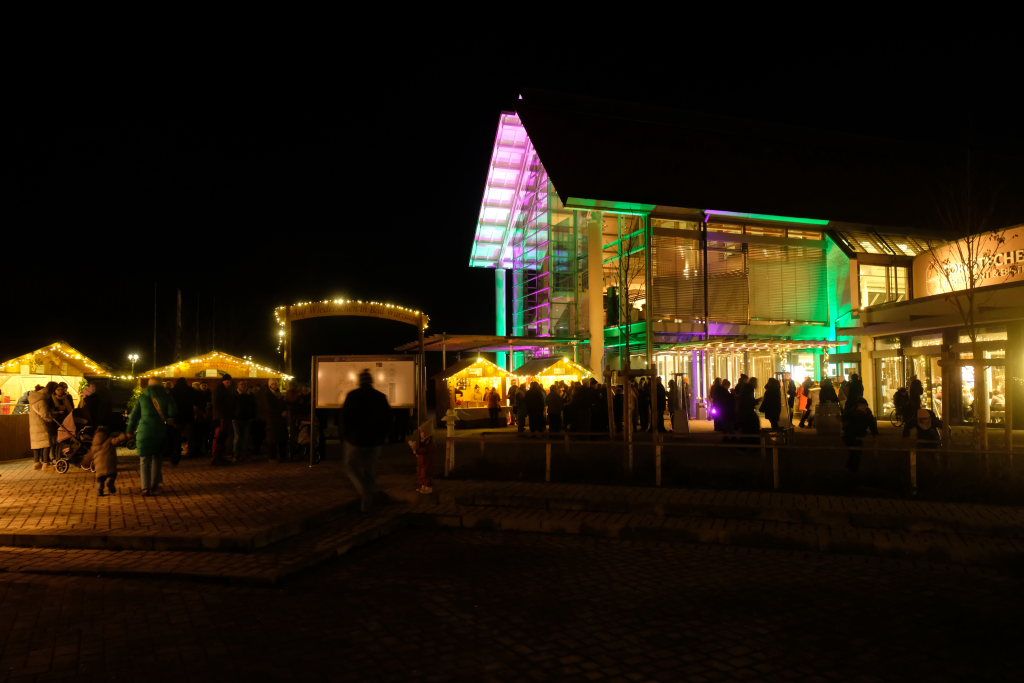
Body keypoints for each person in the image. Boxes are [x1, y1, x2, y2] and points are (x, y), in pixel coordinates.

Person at [340, 369, 392, 512]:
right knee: (370, 470)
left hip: (355, 440)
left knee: (351, 466)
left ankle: (365, 493)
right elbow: (388, 418)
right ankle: (367, 499)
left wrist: (345, 435)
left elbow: (345, 417)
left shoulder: (352, 396)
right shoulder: (380, 397)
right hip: (374, 440)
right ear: (371, 381)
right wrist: (384, 436)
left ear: (360, 381)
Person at [127, 378, 177, 496]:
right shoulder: (166, 396)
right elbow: (173, 412)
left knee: (144, 460)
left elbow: (134, 415)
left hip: (144, 431)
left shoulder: (143, 397)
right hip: (160, 431)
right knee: (157, 458)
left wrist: (129, 430)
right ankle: (155, 486)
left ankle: (145, 488)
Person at [83, 427, 126, 496]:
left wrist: (85, 461)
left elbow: (89, 455)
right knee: (112, 475)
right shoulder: (110, 440)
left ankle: (100, 488)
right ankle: (110, 481)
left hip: (99, 469)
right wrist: (125, 435)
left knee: (100, 480)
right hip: (110, 466)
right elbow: (118, 440)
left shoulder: (94, 445)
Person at [842, 397, 878, 473]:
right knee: (855, 452)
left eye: (864, 406)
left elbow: (872, 425)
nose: (863, 407)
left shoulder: (866, 414)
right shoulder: (854, 413)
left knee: (855, 452)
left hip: (855, 436)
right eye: (861, 406)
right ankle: (852, 469)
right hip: (851, 436)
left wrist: (874, 434)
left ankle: (850, 468)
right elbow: (845, 422)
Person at [211, 374, 236, 465]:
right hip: (222, 417)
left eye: (229, 382)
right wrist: (222, 416)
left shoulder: (225, 390)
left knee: (223, 437)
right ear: (223, 381)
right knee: (220, 437)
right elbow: (218, 404)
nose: (228, 384)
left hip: (225, 417)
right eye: (227, 382)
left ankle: (220, 456)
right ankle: (217, 457)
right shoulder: (219, 390)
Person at [27, 384, 53, 469]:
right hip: (41, 424)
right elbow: (44, 414)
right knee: (46, 444)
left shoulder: (32, 400)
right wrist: (50, 419)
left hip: (33, 425)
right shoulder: (41, 401)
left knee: (36, 444)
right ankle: (45, 463)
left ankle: (36, 462)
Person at [408, 420, 434, 494]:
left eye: (422, 432)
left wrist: (416, 450)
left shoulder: (429, 442)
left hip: (426, 462)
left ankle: (428, 487)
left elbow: (424, 450)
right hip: (422, 461)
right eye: (421, 432)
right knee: (421, 474)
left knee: (426, 474)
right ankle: (423, 486)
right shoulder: (423, 441)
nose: (421, 434)